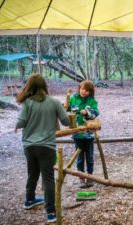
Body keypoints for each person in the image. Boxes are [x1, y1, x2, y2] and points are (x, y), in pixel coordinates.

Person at [15, 73, 69, 223]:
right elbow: (65, 122)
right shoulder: (54, 102)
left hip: (29, 146)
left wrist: (17, 124)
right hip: (47, 146)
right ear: (44, 86)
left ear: (29, 87)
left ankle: (29, 200)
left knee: (32, 173)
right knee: (48, 178)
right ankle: (51, 213)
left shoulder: (27, 103)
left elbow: (21, 123)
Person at [64, 80, 99, 188]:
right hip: (77, 134)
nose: (84, 91)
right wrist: (65, 105)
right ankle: (81, 178)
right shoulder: (73, 98)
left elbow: (96, 113)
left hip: (89, 134)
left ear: (90, 92)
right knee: (79, 157)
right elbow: (66, 110)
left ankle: (90, 176)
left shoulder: (92, 101)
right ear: (79, 88)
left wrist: (87, 112)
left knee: (89, 157)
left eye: (87, 90)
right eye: (82, 89)